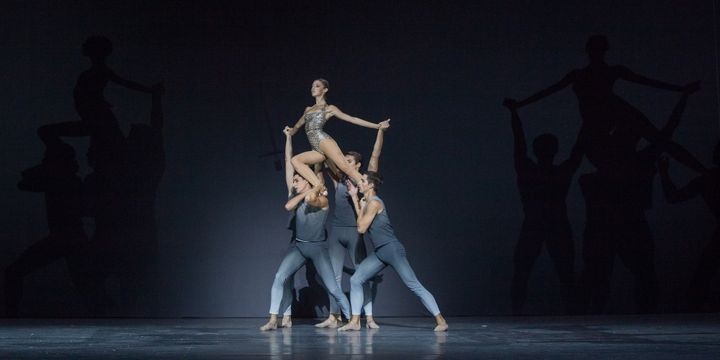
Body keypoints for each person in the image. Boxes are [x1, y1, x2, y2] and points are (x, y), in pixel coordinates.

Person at [505, 34, 703, 177]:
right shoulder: (581, 75)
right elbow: (550, 90)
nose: (596, 54)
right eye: (595, 50)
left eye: (598, 50)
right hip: (598, 120)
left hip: (610, 112)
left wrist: (679, 89)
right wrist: (520, 105)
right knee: (661, 140)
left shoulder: (601, 73)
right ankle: (702, 170)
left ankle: (703, 170)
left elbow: (646, 81)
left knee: (661, 139)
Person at [259, 127, 352, 331]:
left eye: (297, 180)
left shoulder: (321, 199)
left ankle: (351, 319)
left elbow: (304, 197)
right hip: (299, 247)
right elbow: (288, 161)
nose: (293, 182)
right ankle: (273, 318)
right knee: (279, 277)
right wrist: (288, 138)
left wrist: (313, 185)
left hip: (317, 248)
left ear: (308, 181)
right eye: (293, 180)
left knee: (333, 288)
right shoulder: (297, 194)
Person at [338, 173, 448, 332]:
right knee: (356, 279)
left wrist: (359, 204)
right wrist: (357, 202)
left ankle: (441, 320)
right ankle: (355, 321)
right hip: (380, 253)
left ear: (370, 185)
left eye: (362, 180)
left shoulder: (375, 203)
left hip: (392, 249)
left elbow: (361, 228)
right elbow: (361, 223)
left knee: (413, 285)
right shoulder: (367, 203)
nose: (359, 183)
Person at [503, 102, 584, 315]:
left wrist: (514, 115)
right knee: (561, 273)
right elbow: (578, 152)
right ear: (554, 151)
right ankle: (569, 312)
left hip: (539, 225)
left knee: (527, 272)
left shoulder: (530, 170)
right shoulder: (555, 172)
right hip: (548, 225)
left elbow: (519, 144)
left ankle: (518, 313)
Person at [316, 126, 388, 329]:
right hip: (337, 232)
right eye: (343, 160)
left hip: (355, 233)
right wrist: (317, 134)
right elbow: (326, 156)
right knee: (334, 276)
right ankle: (334, 315)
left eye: (348, 161)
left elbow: (376, 154)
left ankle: (370, 317)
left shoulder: (363, 180)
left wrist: (380, 131)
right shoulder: (339, 179)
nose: (343, 163)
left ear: (357, 165)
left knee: (361, 274)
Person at [4, 142, 88, 316]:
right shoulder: (65, 180)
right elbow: (24, 182)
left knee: (13, 273)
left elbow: (25, 181)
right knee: (87, 286)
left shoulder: (60, 181)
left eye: (47, 159)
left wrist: (45, 167)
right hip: (71, 238)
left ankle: (11, 316)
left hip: (65, 238)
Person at [287, 79, 390, 189]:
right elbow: (297, 126)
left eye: (317, 86)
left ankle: (368, 186)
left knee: (345, 167)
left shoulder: (328, 108)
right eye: (312, 86)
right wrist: (289, 132)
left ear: (325, 90)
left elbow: (351, 119)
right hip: (315, 148)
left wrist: (377, 126)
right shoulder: (308, 109)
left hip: (323, 140)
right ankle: (319, 186)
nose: (313, 88)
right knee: (295, 160)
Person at [658, 143, 720, 312]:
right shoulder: (708, 179)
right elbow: (674, 197)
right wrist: (664, 174)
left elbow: (673, 197)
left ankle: (699, 303)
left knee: (704, 274)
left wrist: (664, 173)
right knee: (703, 274)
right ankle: (699, 304)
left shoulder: (707, 179)